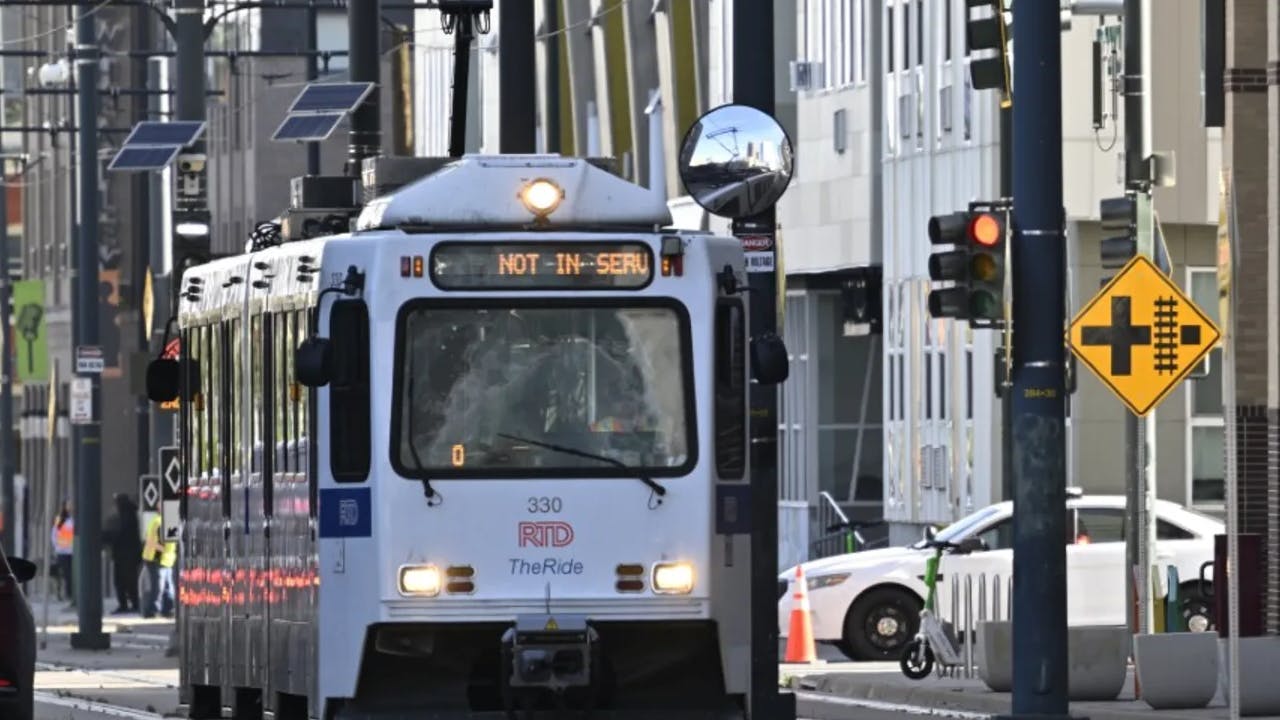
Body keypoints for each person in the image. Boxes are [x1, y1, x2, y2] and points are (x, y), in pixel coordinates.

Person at [102, 493, 142, 614]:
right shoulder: (129, 515)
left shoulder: (127, 516)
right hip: (126, 555)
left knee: (124, 581)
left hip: (125, 556)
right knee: (126, 581)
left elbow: (120, 534)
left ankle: (128, 604)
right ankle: (130, 603)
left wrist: (105, 536)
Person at [51, 501, 74, 605]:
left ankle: (72, 594)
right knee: (67, 574)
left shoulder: (76, 518)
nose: (70, 507)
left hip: (73, 552)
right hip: (63, 552)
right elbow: (54, 534)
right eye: (69, 505)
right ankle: (69, 594)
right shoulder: (59, 519)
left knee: (72, 574)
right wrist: (57, 547)